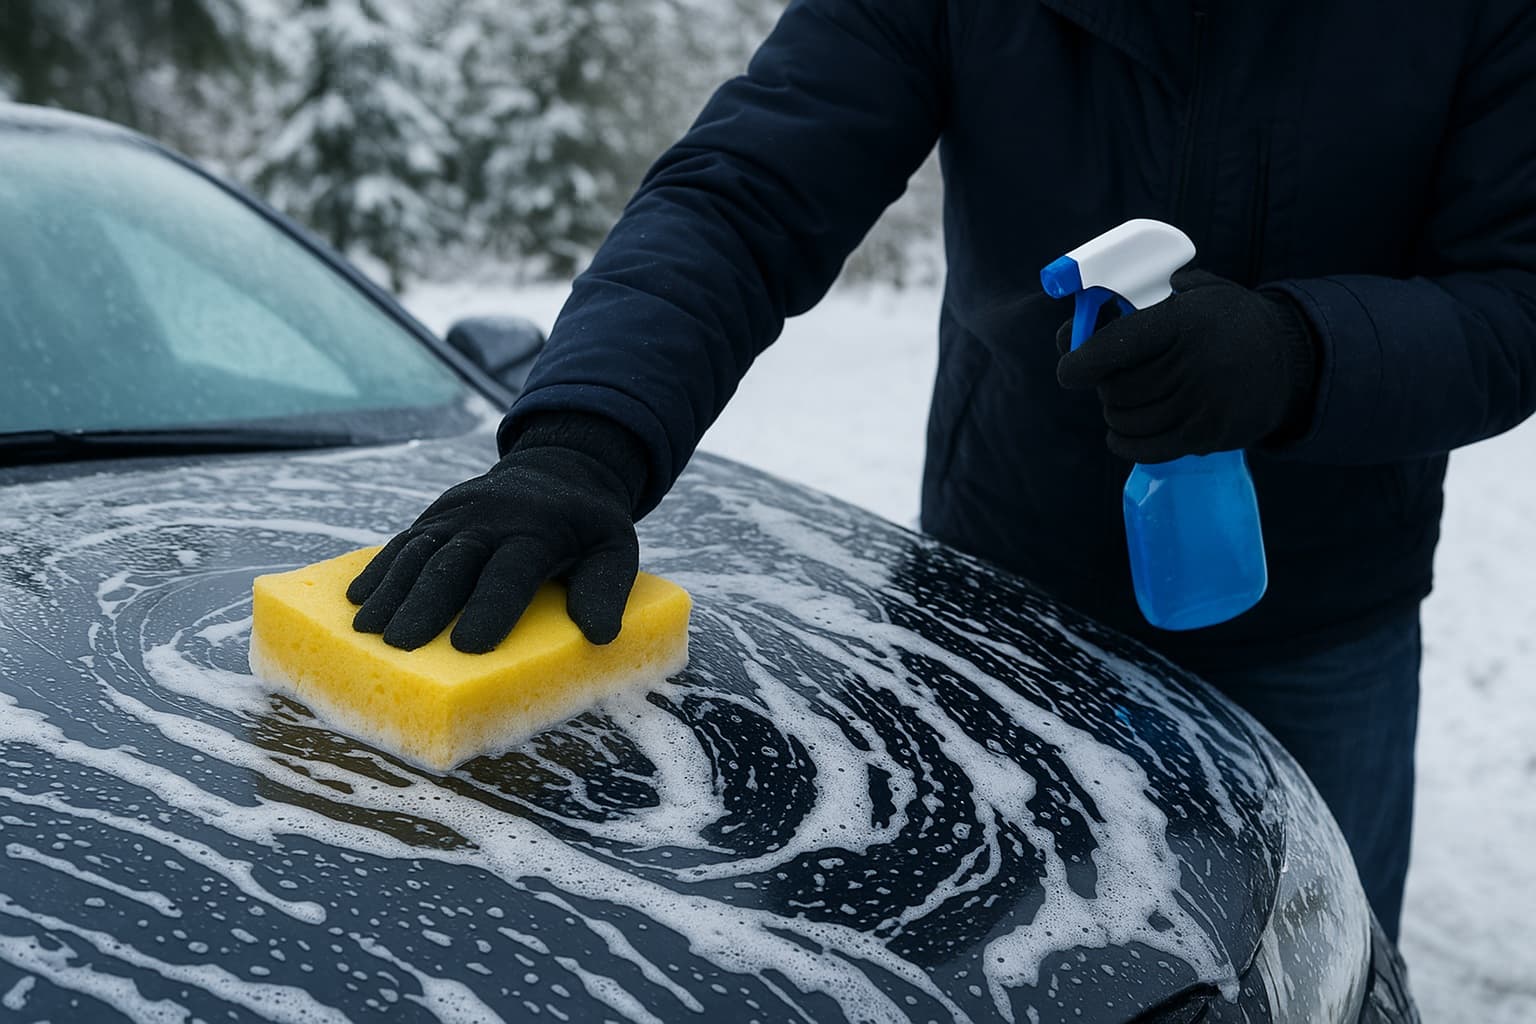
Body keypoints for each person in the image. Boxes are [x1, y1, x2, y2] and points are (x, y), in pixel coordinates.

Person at [344, 0, 1536, 941]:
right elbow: (748, 191)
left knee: (1311, 957)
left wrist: (1300, 351)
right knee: (968, 957)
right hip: (993, 601)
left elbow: (1517, 293)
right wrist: (583, 439)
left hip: (1320, 623)